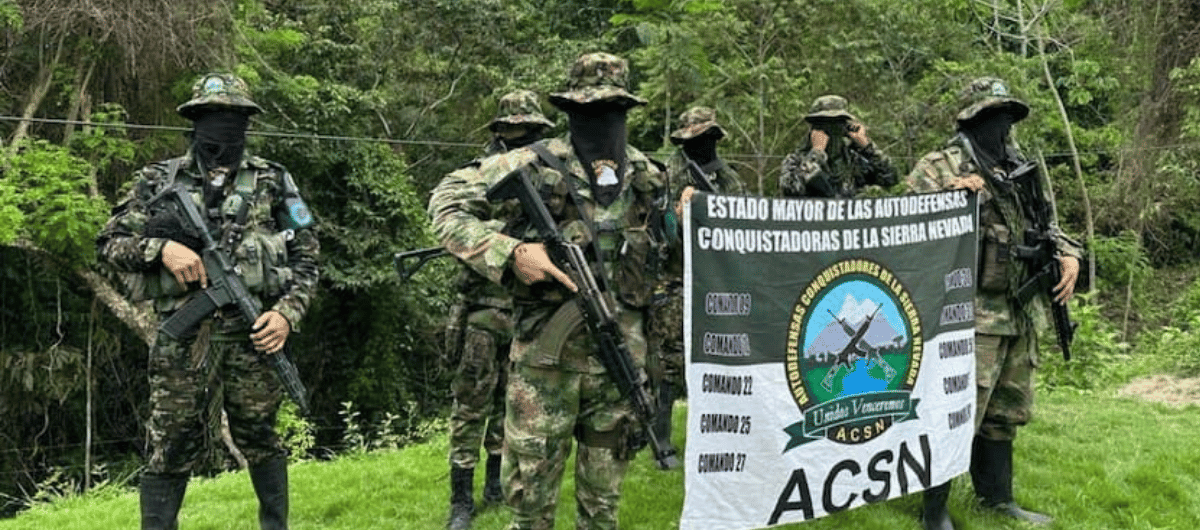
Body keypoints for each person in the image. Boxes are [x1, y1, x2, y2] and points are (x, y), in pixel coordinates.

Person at [428, 52, 668, 530]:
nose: (602, 120)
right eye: (589, 110)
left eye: (612, 110)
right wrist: (511, 251)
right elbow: (445, 205)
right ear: (570, 110)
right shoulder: (532, 165)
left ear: (626, 110)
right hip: (544, 372)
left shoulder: (649, 177)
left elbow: (672, 257)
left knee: (602, 513)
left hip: (620, 371)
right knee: (531, 511)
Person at [96, 73, 319, 530]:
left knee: (260, 435)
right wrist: (161, 249)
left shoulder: (274, 181)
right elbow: (109, 243)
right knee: (171, 441)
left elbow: (308, 256)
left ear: (247, 124)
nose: (223, 128)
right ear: (194, 122)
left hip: (255, 336)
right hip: (184, 335)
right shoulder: (158, 180)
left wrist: (286, 314)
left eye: (234, 119)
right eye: (213, 118)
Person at [905, 77, 1082, 530]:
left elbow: (1047, 225)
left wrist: (1069, 254)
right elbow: (903, 222)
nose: (1001, 126)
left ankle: (997, 499)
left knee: (1005, 410)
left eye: (1006, 116)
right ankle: (933, 511)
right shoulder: (941, 165)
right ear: (969, 119)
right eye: (991, 116)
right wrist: (951, 196)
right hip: (968, 314)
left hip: (1019, 310)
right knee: (957, 411)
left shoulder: (1018, 168)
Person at [445, 89, 554, 530]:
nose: (520, 140)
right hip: (481, 311)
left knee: (512, 405)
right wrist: (505, 240)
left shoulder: (549, 177)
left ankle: (494, 484)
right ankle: (460, 501)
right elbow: (457, 228)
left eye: (527, 133)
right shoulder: (476, 176)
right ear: (499, 132)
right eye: (513, 132)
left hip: (528, 312)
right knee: (471, 403)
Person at [648, 105, 747, 444]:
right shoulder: (665, 175)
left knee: (721, 355)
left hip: (717, 279)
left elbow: (744, 222)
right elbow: (658, 229)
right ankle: (660, 435)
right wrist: (677, 215)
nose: (705, 143)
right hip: (674, 275)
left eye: (709, 136)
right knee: (669, 358)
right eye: (699, 137)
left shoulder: (729, 177)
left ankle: (716, 435)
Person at [779, 94, 897, 198]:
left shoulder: (852, 160)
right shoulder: (795, 161)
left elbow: (890, 178)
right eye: (823, 123)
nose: (831, 129)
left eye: (838, 122)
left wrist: (866, 146)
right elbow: (791, 191)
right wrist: (816, 153)